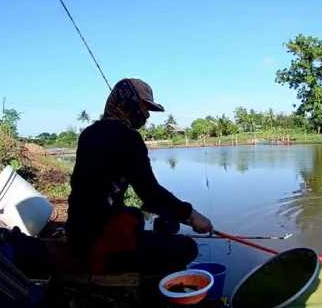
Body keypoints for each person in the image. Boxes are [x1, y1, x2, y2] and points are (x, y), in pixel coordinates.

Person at [66, 78, 213, 275]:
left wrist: (179, 214)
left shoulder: (89, 134)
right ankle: (155, 289)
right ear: (129, 103)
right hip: (98, 243)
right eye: (144, 108)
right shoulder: (128, 137)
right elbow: (150, 193)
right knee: (187, 247)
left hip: (76, 232)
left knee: (135, 215)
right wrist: (192, 215)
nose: (146, 115)